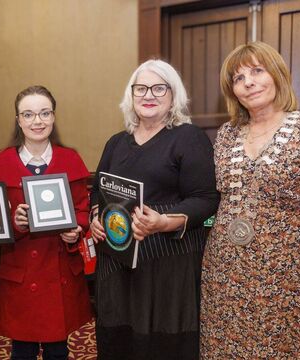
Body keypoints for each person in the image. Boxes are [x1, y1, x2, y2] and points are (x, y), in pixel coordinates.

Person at [201, 41, 300, 359]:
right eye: (238, 78)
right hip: (224, 278)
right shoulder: (226, 135)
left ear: (278, 75)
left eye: (257, 71)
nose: (248, 82)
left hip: (285, 284)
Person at [89, 59, 219, 359]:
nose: (149, 95)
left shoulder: (189, 138)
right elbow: (98, 189)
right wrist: (96, 216)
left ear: (173, 95)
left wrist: (163, 221)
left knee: (160, 347)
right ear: (131, 95)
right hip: (117, 263)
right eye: (141, 88)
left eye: (159, 88)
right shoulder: (115, 143)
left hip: (166, 264)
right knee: (118, 340)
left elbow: (206, 198)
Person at [0, 85, 92, 360]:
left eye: (45, 113)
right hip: (20, 273)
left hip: (59, 273)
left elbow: (83, 211)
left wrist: (75, 232)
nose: (38, 121)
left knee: (58, 350)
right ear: (18, 120)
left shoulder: (71, 159)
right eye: (29, 114)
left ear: (54, 117)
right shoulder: (1, 162)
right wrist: (16, 222)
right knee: (22, 350)